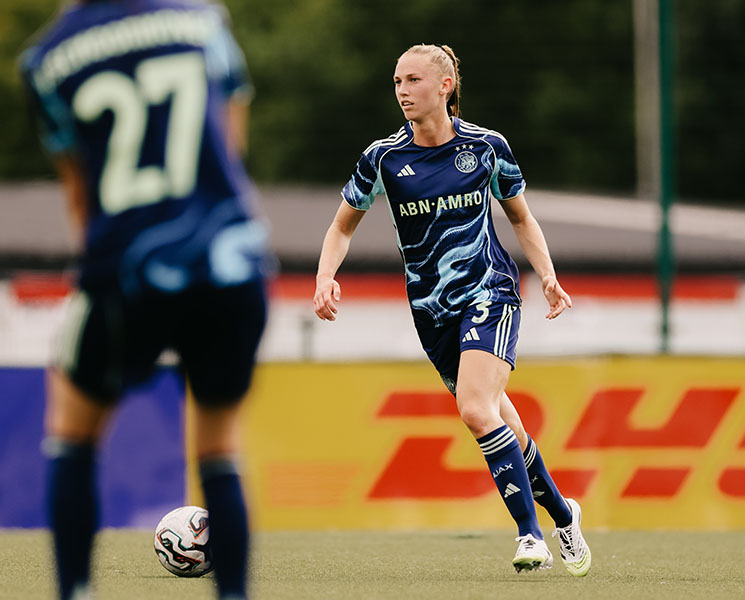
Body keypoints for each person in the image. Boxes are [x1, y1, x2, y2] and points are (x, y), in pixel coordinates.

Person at [20, 1, 272, 597]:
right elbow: (231, 142)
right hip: (229, 258)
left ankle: (76, 589)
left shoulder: (48, 59)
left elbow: (81, 194)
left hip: (130, 263)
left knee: (72, 428)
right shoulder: (201, 18)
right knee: (217, 442)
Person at [313, 43, 591, 575]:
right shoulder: (384, 158)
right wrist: (326, 276)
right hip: (431, 311)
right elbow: (341, 225)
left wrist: (549, 276)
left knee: (474, 408)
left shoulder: (487, 148)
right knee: (498, 415)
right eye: (396, 82)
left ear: (444, 86)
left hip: (491, 291)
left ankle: (530, 536)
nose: (402, 91)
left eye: (412, 80)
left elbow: (521, 219)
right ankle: (562, 513)